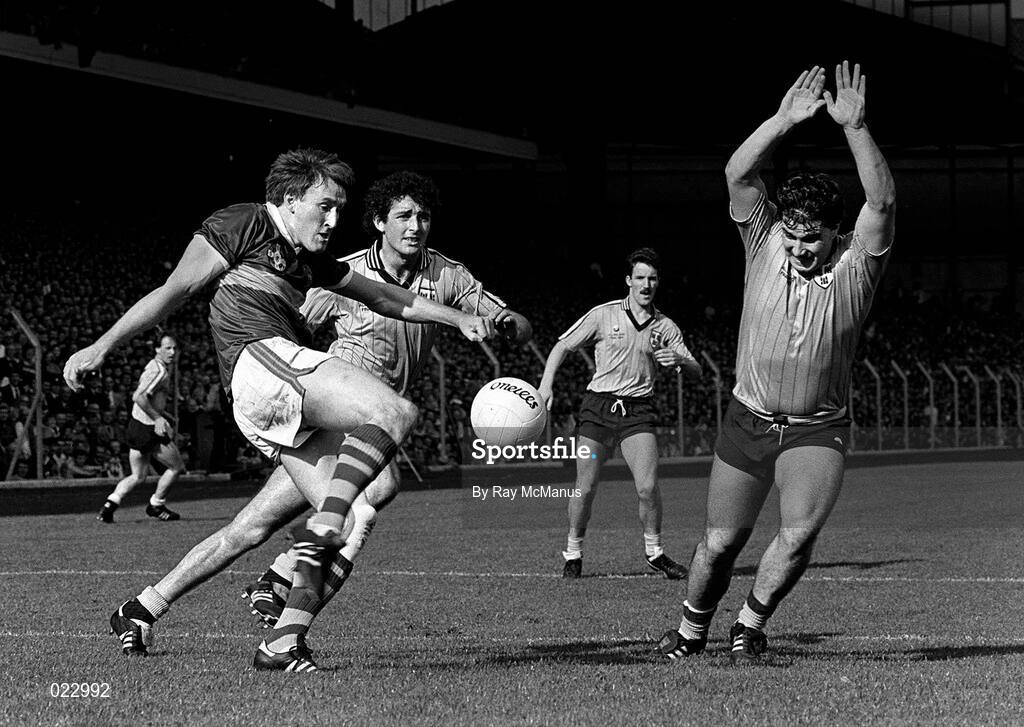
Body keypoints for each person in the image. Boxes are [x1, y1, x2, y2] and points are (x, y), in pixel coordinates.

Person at [63, 148, 495, 672]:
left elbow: (387, 299)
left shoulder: (308, 263)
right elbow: (175, 290)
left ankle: (166, 612)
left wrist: (457, 318)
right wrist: (101, 346)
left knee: (357, 506)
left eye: (340, 209)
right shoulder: (244, 221)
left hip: (278, 393)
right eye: (324, 206)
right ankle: (314, 546)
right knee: (394, 413)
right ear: (289, 201)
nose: (334, 220)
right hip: (258, 363)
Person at [658, 62, 895, 664]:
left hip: (815, 427)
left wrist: (856, 127)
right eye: (791, 236)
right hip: (748, 418)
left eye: (810, 238)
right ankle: (690, 631)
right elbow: (738, 172)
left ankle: (749, 625)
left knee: (798, 533)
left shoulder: (856, 266)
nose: (797, 248)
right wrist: (783, 120)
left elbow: (882, 199)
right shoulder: (762, 243)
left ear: (835, 235)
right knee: (718, 542)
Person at [241, 170, 532, 628]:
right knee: (377, 490)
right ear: (379, 221)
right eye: (404, 216)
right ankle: (285, 617)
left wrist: (508, 323)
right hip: (340, 409)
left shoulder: (447, 275)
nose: (416, 225)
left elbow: (510, 319)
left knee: (253, 525)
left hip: (383, 418)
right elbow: (294, 326)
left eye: (424, 216)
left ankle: (258, 582)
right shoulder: (345, 274)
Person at [538, 247, 701, 580]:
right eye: (640, 277)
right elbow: (562, 346)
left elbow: (697, 368)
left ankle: (654, 553)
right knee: (585, 487)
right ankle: (573, 552)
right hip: (598, 407)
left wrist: (681, 360)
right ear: (628, 280)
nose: (646, 284)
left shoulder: (666, 327)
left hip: (638, 411)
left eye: (652, 278)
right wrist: (545, 386)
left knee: (647, 486)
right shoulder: (603, 314)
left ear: (658, 283)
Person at [97, 334, 186, 523]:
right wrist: (158, 418)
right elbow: (139, 396)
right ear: (156, 349)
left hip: (136, 425)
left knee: (138, 475)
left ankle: (109, 506)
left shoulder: (152, 366)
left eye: (174, 348)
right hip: (148, 428)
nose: (172, 352)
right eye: (167, 348)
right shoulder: (160, 371)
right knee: (176, 467)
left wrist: (166, 416)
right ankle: (156, 504)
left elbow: (146, 399)